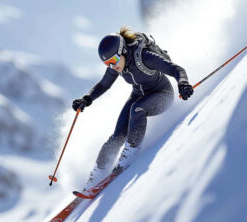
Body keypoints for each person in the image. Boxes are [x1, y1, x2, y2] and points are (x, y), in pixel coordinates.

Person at [72, 25, 194, 189]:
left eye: (113, 61)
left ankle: (129, 155)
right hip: (138, 96)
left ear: (122, 51)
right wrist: (86, 99)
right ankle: (95, 176)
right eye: (107, 63)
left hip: (162, 95)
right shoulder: (117, 65)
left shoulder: (144, 57)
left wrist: (183, 83)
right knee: (117, 136)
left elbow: (176, 69)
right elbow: (103, 85)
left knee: (137, 109)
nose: (112, 66)